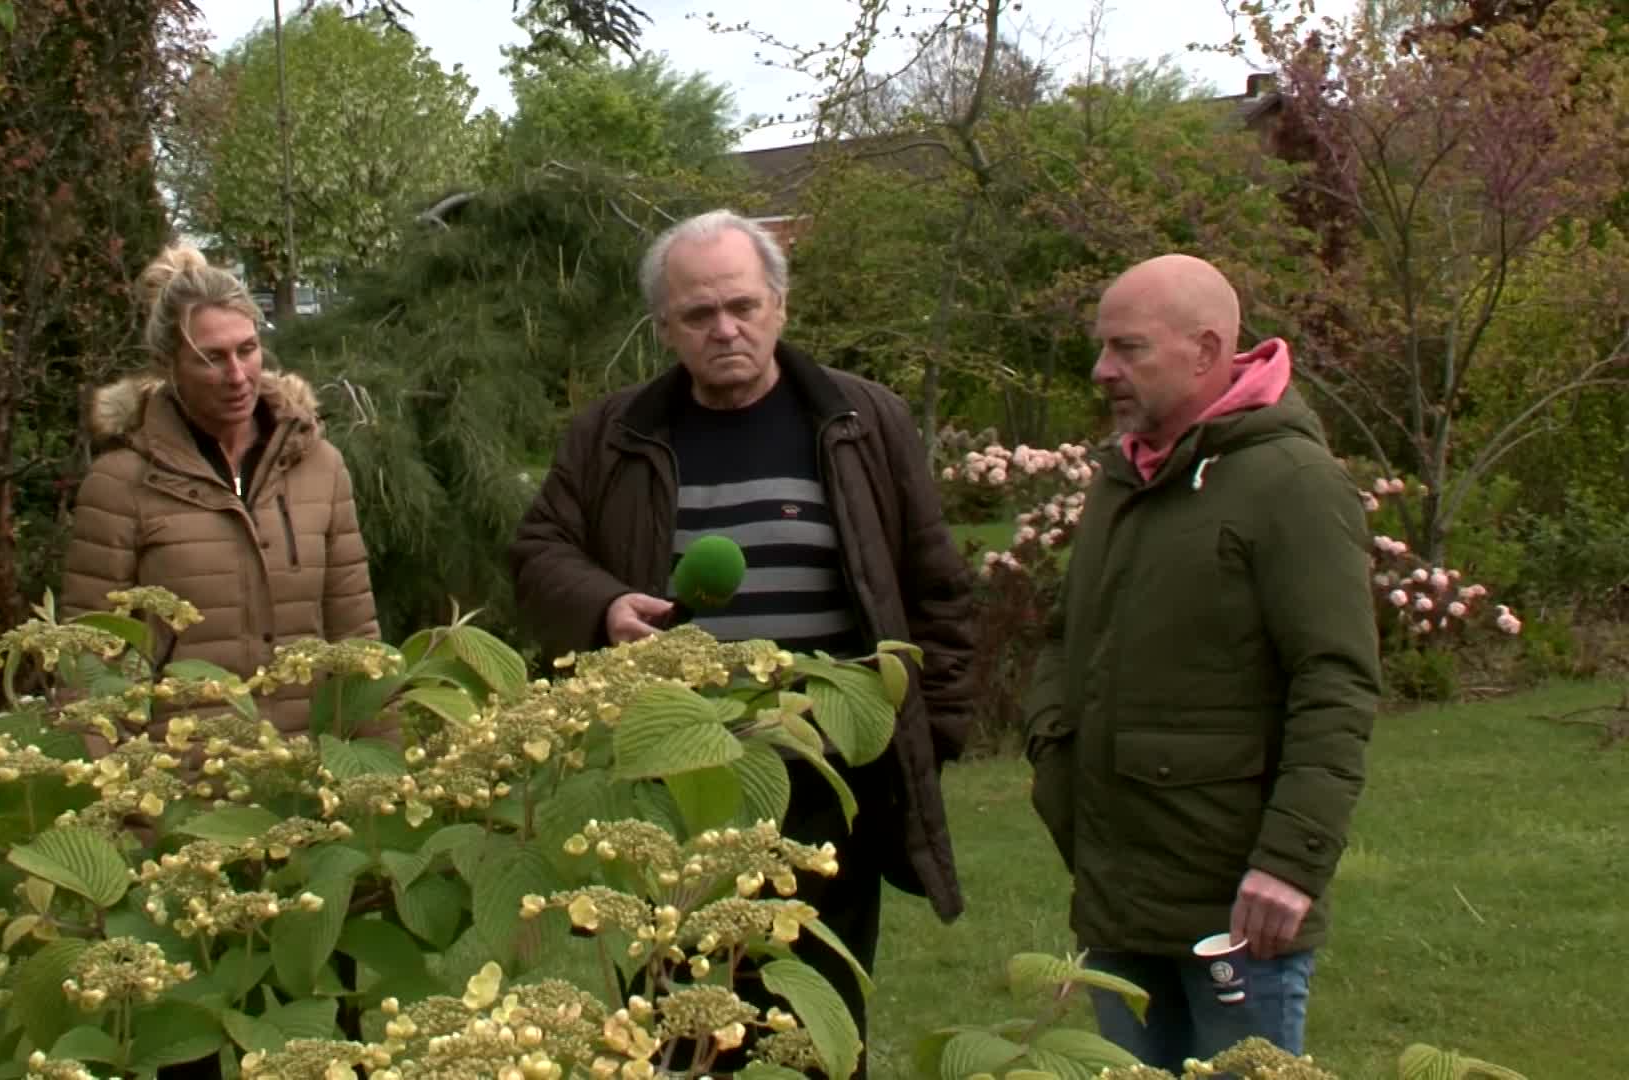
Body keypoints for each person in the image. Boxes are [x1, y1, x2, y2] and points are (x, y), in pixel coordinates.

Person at [508, 209, 978, 1077]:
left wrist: (927, 738)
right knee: (681, 1031)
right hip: (678, 793)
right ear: (664, 328)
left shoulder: (864, 421)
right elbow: (538, 551)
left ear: (781, 306)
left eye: (742, 305)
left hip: (828, 793)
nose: (725, 328)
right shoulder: (611, 435)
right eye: (699, 314)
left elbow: (937, 592)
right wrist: (607, 604)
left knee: (813, 1034)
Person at [1023, 253, 1380, 1070]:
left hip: (1240, 916)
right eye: (1103, 348)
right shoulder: (1126, 477)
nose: (1102, 370)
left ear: (1208, 350)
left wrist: (1290, 866)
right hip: (1116, 899)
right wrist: (1053, 744)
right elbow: (1063, 633)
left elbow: (1337, 683)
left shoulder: (1292, 483)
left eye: (1128, 349)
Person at [60, 243, 383, 744]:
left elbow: (357, 639)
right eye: (210, 359)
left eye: (247, 350)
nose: (237, 376)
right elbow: (87, 664)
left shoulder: (321, 468)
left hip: (301, 782)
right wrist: (119, 804)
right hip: (182, 792)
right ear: (169, 366)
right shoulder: (121, 483)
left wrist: (374, 779)